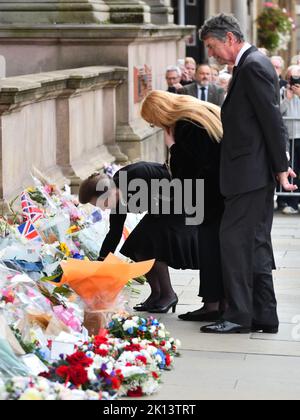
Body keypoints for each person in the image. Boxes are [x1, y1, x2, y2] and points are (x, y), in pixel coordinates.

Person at [199, 13, 297, 334]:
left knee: (235, 242)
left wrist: (281, 168)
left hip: (249, 174)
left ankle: (239, 315)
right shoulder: (251, 64)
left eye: (213, 46)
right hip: (250, 172)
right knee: (254, 243)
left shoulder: (253, 65)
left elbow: (272, 121)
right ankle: (265, 316)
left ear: (229, 38)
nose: (211, 54)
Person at [141, 90, 226, 322]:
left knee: (210, 251)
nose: (154, 125)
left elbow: (185, 173)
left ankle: (213, 306)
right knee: (213, 251)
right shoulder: (196, 114)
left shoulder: (186, 126)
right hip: (219, 193)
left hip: (210, 197)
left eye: (152, 121)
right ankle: (216, 304)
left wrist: (173, 146)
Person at [79, 162, 204, 314]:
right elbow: (114, 233)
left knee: (151, 242)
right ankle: (156, 293)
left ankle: (168, 294)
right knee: (135, 245)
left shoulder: (136, 174)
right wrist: (101, 262)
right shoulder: (117, 204)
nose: (103, 208)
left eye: (102, 203)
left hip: (183, 201)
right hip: (161, 212)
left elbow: (173, 178)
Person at [279, 65, 300, 214]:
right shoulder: (282, 92)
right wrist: (287, 98)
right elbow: (277, 112)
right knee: (292, 170)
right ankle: (289, 202)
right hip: (290, 137)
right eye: (292, 78)